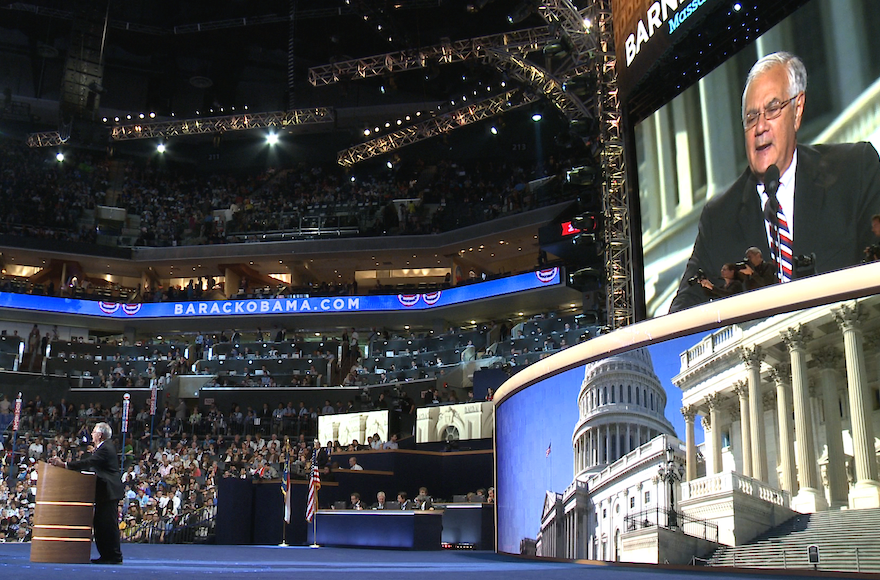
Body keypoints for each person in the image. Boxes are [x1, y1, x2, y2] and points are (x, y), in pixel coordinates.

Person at [670, 51, 880, 312]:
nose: (760, 127)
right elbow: (683, 311)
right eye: (751, 118)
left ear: (797, 110)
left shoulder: (855, 170)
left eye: (772, 109)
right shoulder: (719, 218)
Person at [51, 422, 124, 564]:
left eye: (94, 432)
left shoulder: (106, 448)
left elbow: (90, 462)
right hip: (104, 492)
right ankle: (106, 555)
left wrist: (65, 465)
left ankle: (114, 556)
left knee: (108, 525)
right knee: (100, 525)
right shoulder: (102, 448)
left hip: (109, 491)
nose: (91, 434)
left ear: (100, 435)